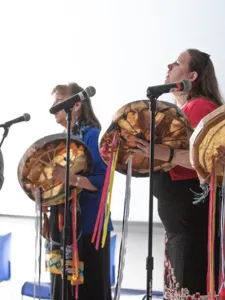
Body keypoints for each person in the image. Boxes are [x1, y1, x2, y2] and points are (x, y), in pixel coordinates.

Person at [132, 49, 224, 299]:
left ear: (192, 75)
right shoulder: (186, 109)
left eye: (177, 63)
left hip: (189, 227)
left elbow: (205, 159)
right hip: (179, 228)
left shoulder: (199, 106)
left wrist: (163, 153)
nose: (169, 65)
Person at [45, 82, 113, 300]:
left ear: (75, 105)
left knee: (88, 291)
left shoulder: (93, 135)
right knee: (62, 288)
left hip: (90, 228)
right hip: (62, 227)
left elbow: (103, 179)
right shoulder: (61, 138)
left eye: (59, 101)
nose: (54, 107)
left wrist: (71, 178)